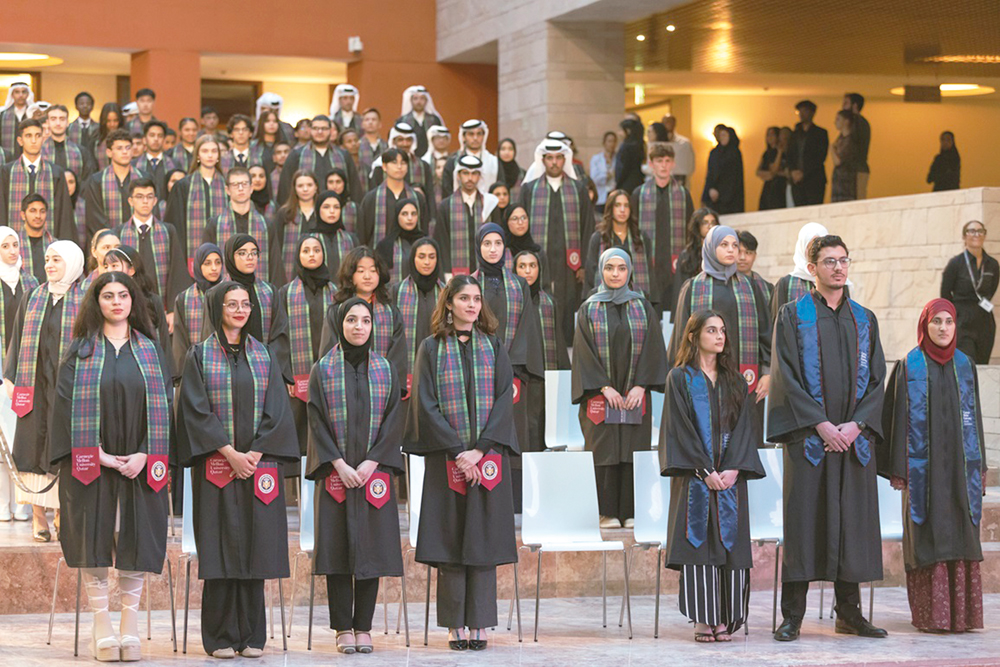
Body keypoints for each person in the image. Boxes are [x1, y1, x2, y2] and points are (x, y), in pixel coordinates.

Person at [768, 234, 887, 642]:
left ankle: (849, 614)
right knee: (804, 525)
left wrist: (855, 426)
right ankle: (793, 617)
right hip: (810, 442)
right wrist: (821, 425)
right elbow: (786, 375)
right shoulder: (792, 314)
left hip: (853, 442)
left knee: (850, 525)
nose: (838, 268)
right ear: (812, 266)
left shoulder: (864, 318)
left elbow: (877, 380)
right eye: (829, 261)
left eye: (843, 260)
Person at [50, 271, 171, 662]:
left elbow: (163, 411)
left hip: (138, 462)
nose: (116, 302)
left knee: (133, 538)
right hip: (93, 464)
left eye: (123, 295)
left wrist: (146, 453)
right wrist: (93, 453)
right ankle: (102, 624)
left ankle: (129, 625)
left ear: (133, 300)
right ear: (96, 302)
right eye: (107, 296)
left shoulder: (150, 350)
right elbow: (63, 410)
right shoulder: (80, 351)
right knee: (96, 538)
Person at [176, 280, 298, 659]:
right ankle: (219, 635)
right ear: (218, 308)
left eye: (246, 304)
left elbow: (277, 410)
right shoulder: (198, 355)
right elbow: (195, 410)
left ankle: (251, 634)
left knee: (256, 545)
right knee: (221, 547)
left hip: (257, 468)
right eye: (232, 304)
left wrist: (255, 454)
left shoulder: (264, 355)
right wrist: (230, 453)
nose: (241, 310)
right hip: (217, 466)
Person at [404, 275, 517, 651]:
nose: (472, 304)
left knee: (482, 539)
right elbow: (425, 403)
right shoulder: (431, 348)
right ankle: (455, 623)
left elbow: (503, 399)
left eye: (477, 298)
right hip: (448, 461)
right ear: (448, 303)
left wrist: (481, 449)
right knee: (452, 540)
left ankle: (481, 621)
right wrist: (457, 451)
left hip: (486, 461)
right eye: (464, 298)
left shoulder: (494, 346)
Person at [880, 298, 987, 633]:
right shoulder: (909, 365)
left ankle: (964, 616)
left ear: (956, 326)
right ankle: (932, 616)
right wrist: (899, 467)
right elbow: (895, 420)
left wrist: (978, 466)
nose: (943, 328)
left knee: (961, 531)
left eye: (949, 322)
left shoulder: (966, 365)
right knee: (928, 532)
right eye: (936, 322)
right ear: (924, 325)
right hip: (922, 472)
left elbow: (976, 420)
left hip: (959, 468)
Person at [305, 296, 405, 654]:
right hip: (337, 476)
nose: (359, 326)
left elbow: (395, 420)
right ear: (339, 323)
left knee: (371, 550)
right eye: (351, 320)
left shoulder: (385, 369)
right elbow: (315, 420)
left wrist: (372, 461)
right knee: (337, 552)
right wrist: (338, 463)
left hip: (371, 477)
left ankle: (363, 626)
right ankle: (342, 627)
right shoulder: (323, 369)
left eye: (365, 320)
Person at [661, 309, 764, 642]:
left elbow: (745, 429)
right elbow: (679, 428)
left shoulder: (735, 380)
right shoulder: (679, 378)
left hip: (730, 478)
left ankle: (727, 618)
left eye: (722, 330)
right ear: (693, 336)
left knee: (729, 542)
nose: (720, 336)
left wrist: (733, 468)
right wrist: (705, 471)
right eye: (711, 330)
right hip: (696, 478)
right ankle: (704, 618)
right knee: (700, 541)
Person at [572, 247, 666, 528]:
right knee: (605, 449)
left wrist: (640, 385)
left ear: (629, 271)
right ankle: (606, 512)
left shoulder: (642, 305)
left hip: (634, 396)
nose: (615, 274)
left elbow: (653, 349)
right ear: (601, 270)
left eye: (621, 268)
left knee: (631, 448)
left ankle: (631, 511)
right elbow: (582, 353)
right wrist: (604, 387)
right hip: (601, 397)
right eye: (610, 268)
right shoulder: (589, 308)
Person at [5, 240, 85, 542]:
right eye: (48, 259)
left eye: (57, 260)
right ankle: (38, 516)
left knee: (61, 445)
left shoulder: (84, 300)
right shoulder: (32, 297)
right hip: (34, 384)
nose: (49, 265)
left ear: (73, 264)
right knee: (33, 448)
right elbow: (17, 337)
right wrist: (11, 377)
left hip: (66, 387)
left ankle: (62, 513)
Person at [473, 223, 543, 511]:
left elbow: (527, 327)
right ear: (478, 247)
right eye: (487, 243)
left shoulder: (519, 285)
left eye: (498, 244)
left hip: (513, 372)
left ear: (505, 248)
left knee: (513, 431)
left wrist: (513, 369)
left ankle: (512, 500)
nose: (492, 249)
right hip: (476, 373)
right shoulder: (468, 283)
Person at [669, 225, 771, 404]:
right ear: (710, 247)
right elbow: (681, 337)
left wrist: (768, 373)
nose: (731, 250)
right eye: (724, 245)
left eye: (734, 245)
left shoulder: (750, 286)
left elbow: (766, 333)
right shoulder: (692, 288)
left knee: (744, 430)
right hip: (702, 378)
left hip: (744, 376)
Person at [520, 139, 594, 346]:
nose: (554, 162)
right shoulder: (529, 189)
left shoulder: (578, 189)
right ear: (543, 160)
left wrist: (583, 265)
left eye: (558, 158)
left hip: (570, 265)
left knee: (567, 304)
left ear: (565, 159)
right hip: (538, 262)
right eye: (549, 158)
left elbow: (588, 227)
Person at [272, 235, 335, 466]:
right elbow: (279, 336)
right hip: (297, 377)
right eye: (305, 250)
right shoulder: (285, 293)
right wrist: (286, 374)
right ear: (298, 256)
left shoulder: (336, 293)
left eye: (316, 250)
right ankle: (298, 492)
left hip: (330, 374)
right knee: (299, 432)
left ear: (323, 255)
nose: (311, 254)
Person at [318, 247, 407, 378]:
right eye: (360, 271)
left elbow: (398, 356)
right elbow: (328, 353)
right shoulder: (337, 311)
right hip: (344, 382)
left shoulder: (391, 312)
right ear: (350, 275)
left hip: (382, 383)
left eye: (373, 270)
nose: (367, 276)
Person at [0, 226, 38, 523]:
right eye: (5, 246)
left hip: (23, 375)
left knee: (20, 442)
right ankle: (2, 506)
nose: (12, 251)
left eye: (15, 245)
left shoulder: (32, 282)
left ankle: (24, 505)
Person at [514, 248, 568, 453]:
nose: (528, 271)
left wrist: (563, 377)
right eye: (522, 266)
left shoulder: (549, 303)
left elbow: (559, 343)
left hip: (545, 377)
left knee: (542, 430)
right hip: (519, 378)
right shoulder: (510, 301)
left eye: (532, 266)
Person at [631, 143, 694, 314]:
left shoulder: (683, 194)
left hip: (675, 263)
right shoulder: (639, 194)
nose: (664, 165)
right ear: (651, 164)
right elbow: (633, 230)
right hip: (648, 263)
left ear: (673, 164)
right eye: (659, 161)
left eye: (668, 161)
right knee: (649, 310)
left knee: (674, 310)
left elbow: (691, 230)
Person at [114, 178, 189, 320]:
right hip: (128, 309)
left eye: (149, 197)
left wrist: (173, 310)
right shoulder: (119, 233)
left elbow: (177, 271)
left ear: (155, 201)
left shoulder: (168, 231)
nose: (145, 201)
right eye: (139, 197)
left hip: (162, 309)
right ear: (130, 201)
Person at [0, 119, 74, 239]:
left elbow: (64, 215)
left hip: (49, 242)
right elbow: (2, 211)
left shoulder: (55, 172)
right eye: (28, 136)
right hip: (14, 243)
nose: (33, 141)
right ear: (20, 140)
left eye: (38, 136)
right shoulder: (6, 172)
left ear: (43, 139)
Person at [391, 238, 445, 395]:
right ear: (412, 258)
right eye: (421, 257)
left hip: (438, 366)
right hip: (406, 368)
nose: (427, 262)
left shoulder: (446, 292)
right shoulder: (396, 291)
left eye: (431, 257)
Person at [165, 135, 228, 266]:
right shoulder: (183, 186)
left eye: (214, 151)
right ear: (198, 155)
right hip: (190, 252)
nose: (210, 155)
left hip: (223, 251)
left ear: (218, 156)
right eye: (205, 151)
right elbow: (175, 226)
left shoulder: (227, 185)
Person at [941, 220, 998, 364]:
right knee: (967, 364)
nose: (976, 234)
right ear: (964, 236)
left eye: (980, 231)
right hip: (962, 321)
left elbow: (992, 290)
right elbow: (945, 294)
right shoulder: (955, 264)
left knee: (982, 364)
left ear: (984, 235)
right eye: (971, 231)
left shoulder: (992, 264)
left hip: (985, 320)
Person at [434, 155, 499, 274]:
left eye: (474, 173)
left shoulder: (490, 204)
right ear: (458, 175)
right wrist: (447, 274)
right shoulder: (446, 205)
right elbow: (442, 243)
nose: (470, 178)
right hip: (455, 273)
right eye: (465, 173)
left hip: (487, 271)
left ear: (480, 176)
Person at [278, 115, 361, 207]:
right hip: (304, 211)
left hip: (338, 210)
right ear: (310, 130)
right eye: (315, 128)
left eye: (324, 128)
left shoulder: (343, 155)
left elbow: (355, 187)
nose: (320, 132)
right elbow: (285, 187)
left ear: (331, 131)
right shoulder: (297, 155)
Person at [585, 189, 653, 298]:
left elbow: (650, 273)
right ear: (610, 208)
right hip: (604, 301)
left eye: (626, 206)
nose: (622, 210)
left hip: (637, 300)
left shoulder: (641, 238)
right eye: (617, 205)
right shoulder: (598, 238)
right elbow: (589, 275)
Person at [357, 148, 430, 247]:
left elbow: (423, 231)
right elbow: (363, 235)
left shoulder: (417, 198)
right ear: (384, 166)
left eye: (403, 163)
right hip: (379, 257)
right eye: (394, 162)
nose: (399, 167)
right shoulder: (372, 198)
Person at [81, 128, 145, 240]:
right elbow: (94, 217)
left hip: (139, 239)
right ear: (109, 152)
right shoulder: (96, 181)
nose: (125, 152)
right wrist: (113, 238)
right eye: (119, 148)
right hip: (108, 242)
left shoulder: (144, 179)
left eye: (128, 148)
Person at [204, 166, 271, 272]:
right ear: (227, 190)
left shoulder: (266, 225)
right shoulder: (214, 225)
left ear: (251, 188)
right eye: (235, 185)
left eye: (244, 184)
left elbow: (275, 264)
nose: (241, 188)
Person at [172, 243, 223, 376]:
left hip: (224, 368)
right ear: (198, 265)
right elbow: (180, 342)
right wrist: (181, 376)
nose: (214, 268)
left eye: (218, 263)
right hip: (194, 369)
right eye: (207, 263)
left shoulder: (229, 294)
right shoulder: (185, 298)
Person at [223, 233, 280, 345]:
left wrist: (269, 358)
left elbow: (279, 335)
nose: (250, 257)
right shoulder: (218, 292)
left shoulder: (269, 291)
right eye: (242, 253)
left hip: (264, 360)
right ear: (230, 256)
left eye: (254, 253)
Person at [771, 222, 829, 319]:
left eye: (820, 248)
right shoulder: (785, 284)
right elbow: (777, 324)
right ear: (802, 248)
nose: (815, 252)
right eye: (810, 247)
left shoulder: (837, 281)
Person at [269, 170, 318, 285]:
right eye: (300, 186)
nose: (305, 189)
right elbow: (277, 246)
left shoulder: (322, 212)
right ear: (294, 188)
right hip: (290, 270)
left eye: (309, 185)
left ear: (316, 187)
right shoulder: (285, 213)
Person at [670, 207, 719, 320]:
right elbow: (680, 287)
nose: (710, 226)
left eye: (713, 222)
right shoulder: (686, 255)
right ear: (697, 226)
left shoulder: (721, 253)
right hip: (694, 308)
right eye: (705, 223)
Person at [440, 119, 498, 200]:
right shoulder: (453, 161)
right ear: (463, 137)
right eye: (471, 134)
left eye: (479, 134)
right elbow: (447, 191)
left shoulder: (493, 161)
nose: (475, 138)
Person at [788, 100, 829, 206]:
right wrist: (793, 171)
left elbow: (820, 156)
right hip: (797, 181)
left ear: (812, 112)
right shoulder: (794, 134)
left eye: (804, 111)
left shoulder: (820, 133)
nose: (801, 114)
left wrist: (804, 172)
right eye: (799, 111)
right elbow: (789, 154)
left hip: (814, 180)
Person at [310, 190, 358, 278]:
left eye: (336, 207)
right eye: (326, 207)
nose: (332, 211)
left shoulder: (351, 239)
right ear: (318, 209)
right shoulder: (309, 240)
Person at [41, 105, 95, 184]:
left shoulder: (81, 152)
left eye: (62, 119)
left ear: (67, 122)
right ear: (48, 122)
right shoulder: (39, 151)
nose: (58, 123)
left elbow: (87, 182)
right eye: (53, 119)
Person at [376, 198, 424, 285]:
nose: (410, 218)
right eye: (404, 214)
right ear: (397, 216)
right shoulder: (385, 245)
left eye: (413, 214)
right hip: (393, 295)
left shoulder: (425, 243)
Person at [702, 125, 744, 214]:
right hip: (715, 196)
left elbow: (734, 176)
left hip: (731, 197)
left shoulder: (734, 153)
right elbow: (710, 173)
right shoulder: (715, 152)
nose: (722, 138)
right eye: (721, 135)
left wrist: (722, 193)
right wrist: (709, 191)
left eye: (724, 135)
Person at [131, 120, 179, 199]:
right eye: (152, 135)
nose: (156, 139)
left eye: (160, 136)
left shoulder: (174, 165)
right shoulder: (134, 165)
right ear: (144, 139)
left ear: (164, 139)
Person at [18, 194, 56, 284]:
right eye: (33, 211)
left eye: (42, 211)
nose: (38, 216)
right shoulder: (14, 245)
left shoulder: (55, 245)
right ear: (23, 215)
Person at [398, 85, 444, 158]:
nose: (418, 102)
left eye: (422, 98)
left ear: (426, 100)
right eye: (415, 99)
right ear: (411, 100)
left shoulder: (434, 120)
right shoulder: (403, 120)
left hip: (432, 157)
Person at [843, 93, 870, 199]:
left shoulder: (857, 122)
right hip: (856, 169)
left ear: (854, 105)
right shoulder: (860, 122)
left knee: (856, 201)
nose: (843, 106)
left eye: (846, 103)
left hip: (856, 169)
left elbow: (852, 145)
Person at [737, 230, 773, 303]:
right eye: (738, 252)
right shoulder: (724, 285)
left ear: (755, 256)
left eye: (748, 253)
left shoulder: (768, 288)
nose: (742, 257)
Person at [756, 126, 787, 210]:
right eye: (768, 135)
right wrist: (769, 174)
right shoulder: (766, 153)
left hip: (779, 186)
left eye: (772, 134)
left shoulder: (782, 152)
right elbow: (758, 171)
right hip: (768, 187)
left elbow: (774, 171)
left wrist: (779, 152)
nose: (769, 137)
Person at [831, 110, 859, 203]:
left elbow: (838, 161)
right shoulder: (841, 140)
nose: (835, 122)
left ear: (846, 121)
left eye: (838, 119)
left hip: (845, 186)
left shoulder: (850, 142)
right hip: (838, 184)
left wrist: (832, 148)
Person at [0, 82, 34, 157]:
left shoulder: (33, 114)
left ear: (28, 94)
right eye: (17, 92)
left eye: (23, 92)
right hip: (8, 158)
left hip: (30, 156)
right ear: (12, 95)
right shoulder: (2, 115)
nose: (20, 95)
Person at [662, 115, 696, 186]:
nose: (667, 124)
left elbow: (690, 164)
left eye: (669, 122)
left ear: (674, 123)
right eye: (665, 122)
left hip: (680, 181)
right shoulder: (658, 144)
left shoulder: (684, 143)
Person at [615, 118, 645, 194]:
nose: (619, 133)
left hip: (626, 185)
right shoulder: (640, 145)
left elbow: (623, 169)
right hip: (638, 183)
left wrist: (617, 184)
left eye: (621, 130)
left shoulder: (626, 147)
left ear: (628, 131)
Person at [589, 132, 617, 214]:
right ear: (604, 143)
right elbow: (593, 178)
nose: (612, 144)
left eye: (614, 141)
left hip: (613, 193)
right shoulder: (596, 159)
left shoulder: (618, 158)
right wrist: (606, 176)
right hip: (600, 196)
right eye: (609, 141)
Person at [91, 103, 123, 171]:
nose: (112, 124)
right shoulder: (95, 138)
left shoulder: (126, 137)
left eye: (115, 120)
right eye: (108, 121)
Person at [357, 108, 387, 175]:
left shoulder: (386, 146)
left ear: (380, 124)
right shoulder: (357, 145)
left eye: (374, 119)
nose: (370, 122)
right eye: (367, 120)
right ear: (362, 124)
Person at [68, 92, 98, 157]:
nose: (85, 106)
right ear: (76, 106)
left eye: (88, 103)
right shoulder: (69, 128)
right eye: (81, 103)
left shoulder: (99, 128)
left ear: (92, 107)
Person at [496, 138, 525, 203]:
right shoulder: (493, 172)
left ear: (514, 152)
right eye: (503, 149)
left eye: (510, 149)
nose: (507, 152)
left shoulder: (522, 174)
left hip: (516, 211)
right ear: (498, 151)